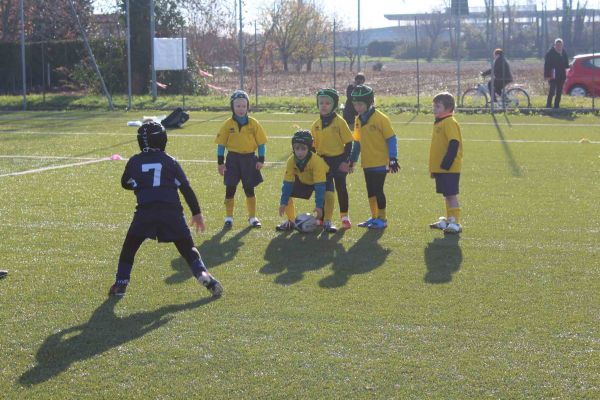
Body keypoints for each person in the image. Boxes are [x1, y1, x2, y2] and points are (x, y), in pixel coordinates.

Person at [109, 121, 223, 297]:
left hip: (145, 211)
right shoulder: (170, 161)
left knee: (129, 248)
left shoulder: (134, 161)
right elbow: (186, 188)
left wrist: (139, 185)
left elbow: (125, 183)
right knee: (187, 248)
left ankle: (120, 284)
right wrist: (197, 213)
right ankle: (203, 274)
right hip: (172, 212)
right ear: (162, 139)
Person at [215, 90, 268, 229]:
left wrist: (261, 160)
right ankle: (228, 218)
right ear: (232, 107)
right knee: (230, 188)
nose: (241, 109)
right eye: (238, 106)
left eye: (244, 106)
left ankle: (252, 217)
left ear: (247, 107)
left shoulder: (254, 123)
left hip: (249, 159)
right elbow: (221, 144)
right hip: (232, 159)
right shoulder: (228, 124)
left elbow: (261, 143)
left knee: (249, 189)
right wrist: (220, 163)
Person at [349, 85, 399, 230]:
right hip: (367, 163)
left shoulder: (380, 118)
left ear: (369, 102)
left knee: (378, 190)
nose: (357, 107)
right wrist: (353, 160)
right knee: (370, 190)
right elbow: (357, 142)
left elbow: (391, 138)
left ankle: (382, 219)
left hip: (380, 162)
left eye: (360, 104)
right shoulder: (358, 120)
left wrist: (393, 158)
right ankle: (374, 216)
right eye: (355, 104)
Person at [310, 88, 355, 232]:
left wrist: (345, 161)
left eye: (327, 103)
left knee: (341, 188)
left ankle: (344, 216)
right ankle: (323, 218)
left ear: (334, 105)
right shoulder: (315, 125)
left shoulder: (339, 122)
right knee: (325, 191)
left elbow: (349, 142)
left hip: (339, 160)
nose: (324, 105)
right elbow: (312, 148)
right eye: (321, 102)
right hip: (323, 162)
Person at [276, 130, 329, 232]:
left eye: (303, 149)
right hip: (303, 180)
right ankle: (291, 221)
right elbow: (287, 184)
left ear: (309, 148)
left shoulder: (317, 162)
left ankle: (326, 221)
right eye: (297, 148)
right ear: (293, 148)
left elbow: (320, 186)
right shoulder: (291, 161)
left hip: (320, 181)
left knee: (329, 194)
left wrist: (319, 206)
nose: (300, 152)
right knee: (288, 195)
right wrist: (283, 202)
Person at [428, 92, 463, 234]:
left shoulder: (449, 122)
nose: (434, 109)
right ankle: (449, 220)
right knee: (447, 195)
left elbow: (454, 143)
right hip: (441, 168)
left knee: (451, 194)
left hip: (449, 168)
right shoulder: (440, 122)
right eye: (434, 106)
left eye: (438, 106)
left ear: (448, 108)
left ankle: (456, 222)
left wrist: (447, 163)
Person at [544, 38, 569, 109]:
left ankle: (556, 106)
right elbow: (546, 65)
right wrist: (546, 75)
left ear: (562, 45)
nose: (559, 46)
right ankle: (548, 105)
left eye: (560, 45)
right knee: (552, 90)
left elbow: (566, 65)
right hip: (553, 74)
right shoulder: (550, 53)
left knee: (559, 91)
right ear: (555, 45)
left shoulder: (564, 52)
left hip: (561, 75)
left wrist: (570, 67)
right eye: (557, 45)